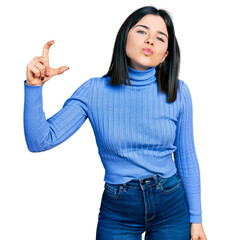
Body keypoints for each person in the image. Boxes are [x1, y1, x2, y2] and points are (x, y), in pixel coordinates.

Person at [24, 5, 207, 240]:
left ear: (165, 55)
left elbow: (186, 157)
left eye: (160, 38)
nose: (150, 40)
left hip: (171, 205)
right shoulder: (93, 91)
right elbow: (39, 141)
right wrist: (34, 88)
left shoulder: (178, 92)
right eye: (142, 31)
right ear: (124, 37)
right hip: (118, 210)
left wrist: (197, 219)